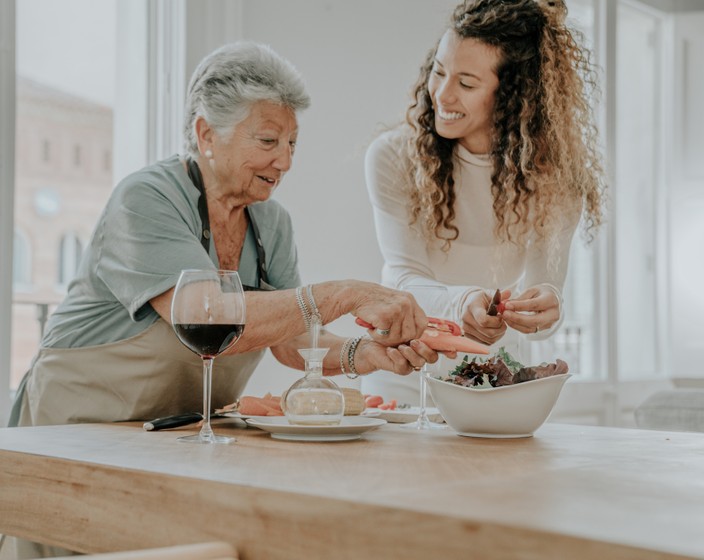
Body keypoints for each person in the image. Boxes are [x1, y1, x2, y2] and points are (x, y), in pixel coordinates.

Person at [9, 41, 437, 430]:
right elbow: (205, 313)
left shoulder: (272, 223)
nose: (285, 161)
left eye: (292, 143)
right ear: (206, 134)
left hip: (179, 430)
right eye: (269, 140)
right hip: (76, 427)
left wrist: (366, 353)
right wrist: (344, 294)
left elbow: (288, 339)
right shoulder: (145, 199)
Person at [362, 0, 605, 403]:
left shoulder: (557, 182)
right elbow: (404, 281)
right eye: (439, 71)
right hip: (402, 376)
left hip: (494, 385)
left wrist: (546, 305)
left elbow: (542, 310)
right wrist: (463, 303)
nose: (441, 93)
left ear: (514, 96)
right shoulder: (393, 157)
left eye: (467, 83)